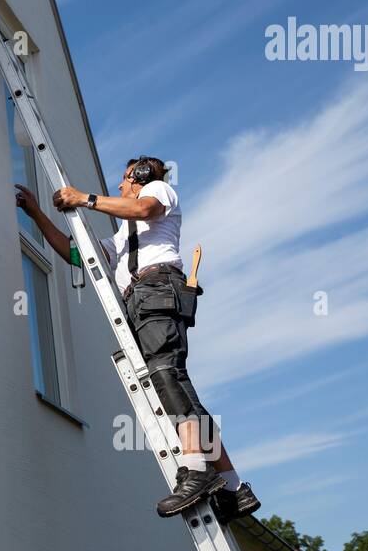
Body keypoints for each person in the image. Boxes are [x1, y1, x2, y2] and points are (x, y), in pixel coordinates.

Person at [14, 157, 260, 522]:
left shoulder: (157, 192)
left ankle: (196, 470)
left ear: (142, 176)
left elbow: (143, 208)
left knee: (166, 375)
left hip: (157, 289)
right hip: (144, 298)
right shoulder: (123, 237)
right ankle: (233, 487)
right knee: (176, 382)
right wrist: (36, 215)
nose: (119, 187)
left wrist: (85, 198)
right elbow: (77, 255)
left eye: (125, 179)